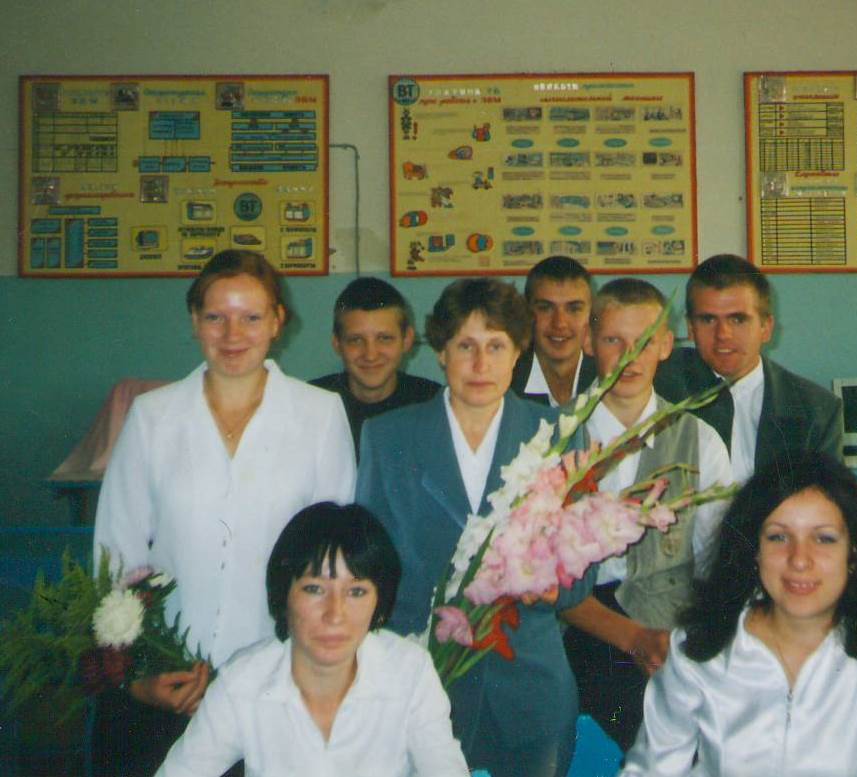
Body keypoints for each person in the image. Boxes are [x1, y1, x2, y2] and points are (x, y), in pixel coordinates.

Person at [93, 250, 356, 775]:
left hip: (278, 686)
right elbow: (115, 554)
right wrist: (139, 671)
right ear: (195, 321)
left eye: (251, 317)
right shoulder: (152, 417)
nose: (233, 334)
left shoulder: (320, 415)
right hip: (167, 683)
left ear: (277, 321)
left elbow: (334, 567)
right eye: (216, 316)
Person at [358, 278, 589, 777]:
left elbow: (581, 577)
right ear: (441, 352)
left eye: (496, 346)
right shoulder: (387, 437)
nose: (481, 364)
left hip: (529, 688)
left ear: (518, 352)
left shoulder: (558, 434)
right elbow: (370, 572)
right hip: (423, 684)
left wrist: (553, 587)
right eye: (465, 346)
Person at [620, 452, 857, 776]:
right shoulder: (703, 643)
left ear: (854, 551)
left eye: (824, 539)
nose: (799, 559)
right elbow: (651, 770)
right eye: (778, 537)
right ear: (754, 549)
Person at [156, 502, 469, 777]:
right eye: (315, 589)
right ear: (284, 594)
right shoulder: (243, 681)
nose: (335, 614)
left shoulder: (410, 672)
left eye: (356, 592)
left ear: (379, 603)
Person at [560, 279, 733, 751]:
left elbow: (715, 562)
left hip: (669, 623)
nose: (629, 357)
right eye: (613, 340)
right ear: (589, 343)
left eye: (644, 341)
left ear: (665, 345)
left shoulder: (700, 440)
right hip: (577, 623)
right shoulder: (553, 436)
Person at [654, 254, 842, 484]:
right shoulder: (657, 387)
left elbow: (828, 498)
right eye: (708, 320)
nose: (723, 334)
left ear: (766, 328)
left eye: (738, 320)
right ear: (691, 328)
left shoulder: (816, 410)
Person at [310, 277, 440, 465]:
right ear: (337, 343)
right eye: (356, 340)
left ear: (407, 340)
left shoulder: (434, 403)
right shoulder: (311, 403)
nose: (370, 355)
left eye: (384, 338)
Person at [511, 255, 597, 406]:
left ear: (591, 315)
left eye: (574, 309)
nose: (559, 323)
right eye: (545, 308)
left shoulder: (609, 381)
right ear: (526, 312)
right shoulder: (504, 383)